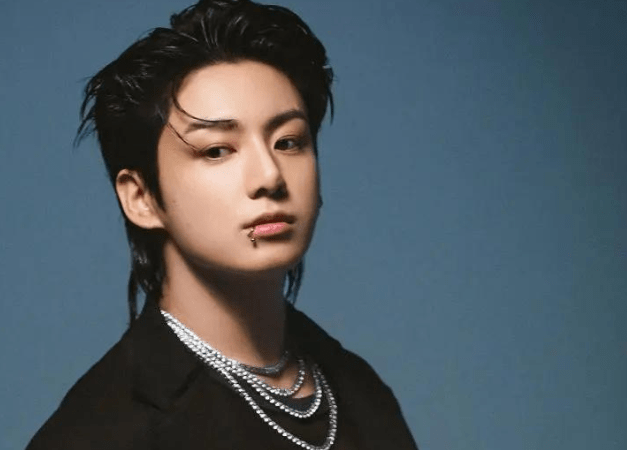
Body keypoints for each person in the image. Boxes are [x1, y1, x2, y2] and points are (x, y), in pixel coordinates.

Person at [26, 1, 419, 449]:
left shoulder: (360, 393)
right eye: (217, 151)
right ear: (141, 198)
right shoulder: (104, 433)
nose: (269, 176)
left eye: (288, 142)